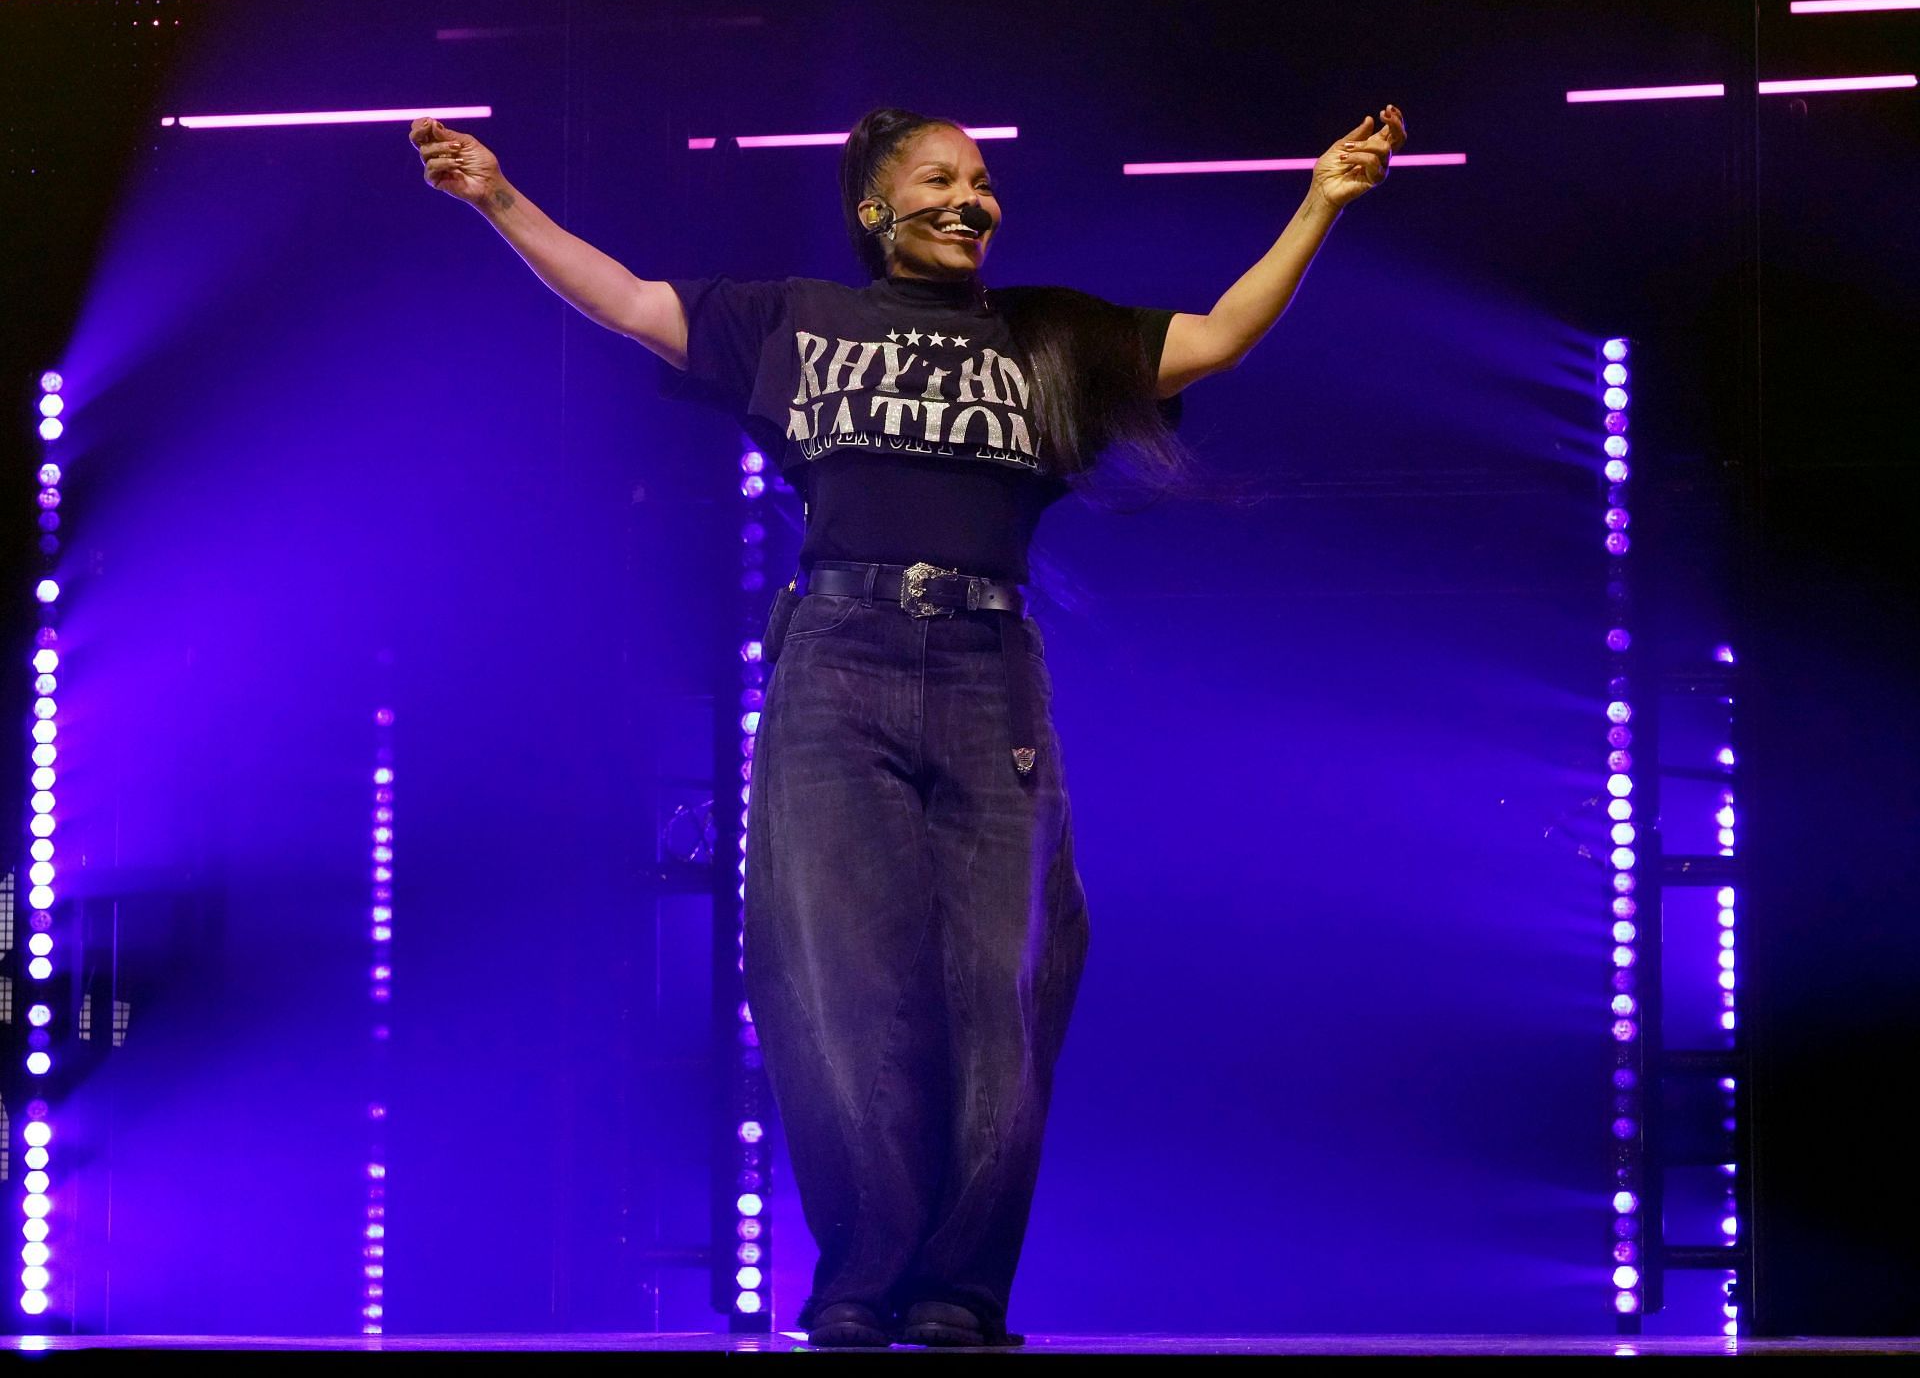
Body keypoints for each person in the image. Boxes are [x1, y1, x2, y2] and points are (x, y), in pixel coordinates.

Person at [412, 100, 1406, 1348]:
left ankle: (959, 1289)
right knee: (835, 977)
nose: (968, 197)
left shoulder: (1046, 334)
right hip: (838, 661)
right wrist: (497, 198)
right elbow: (625, 299)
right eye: (937, 178)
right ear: (878, 209)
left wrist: (1320, 199)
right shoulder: (796, 321)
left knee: (1009, 980)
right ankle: (862, 1272)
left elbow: (1210, 341)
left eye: (982, 180)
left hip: (992, 671)